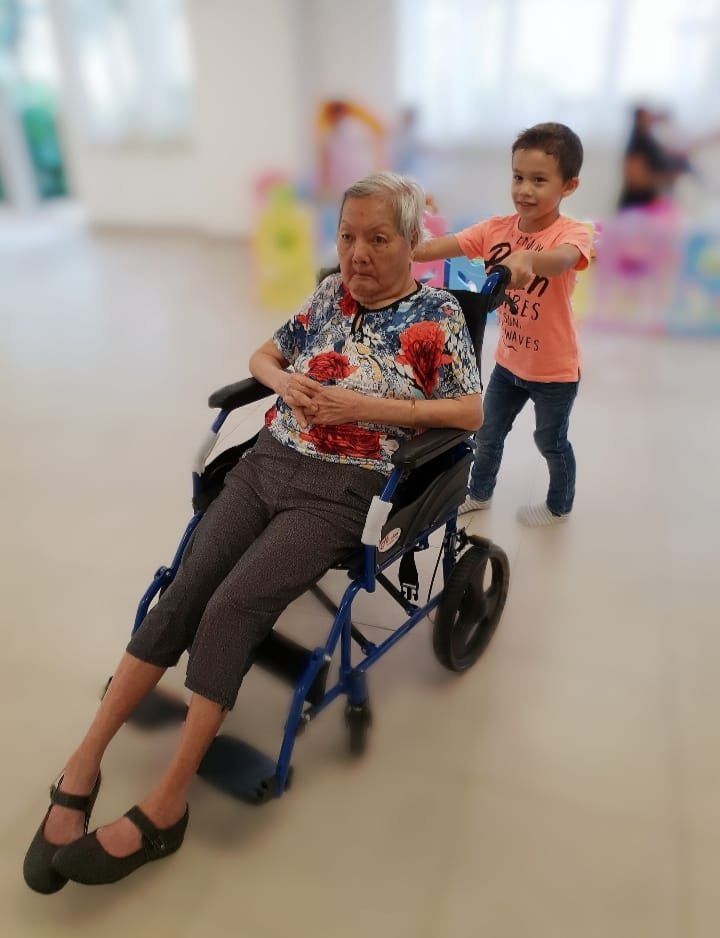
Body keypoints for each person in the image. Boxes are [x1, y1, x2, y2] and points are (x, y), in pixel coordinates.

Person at [23, 171, 483, 892]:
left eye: (377, 238)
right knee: (183, 593)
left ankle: (169, 804)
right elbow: (263, 355)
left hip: (345, 488)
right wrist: (285, 383)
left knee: (233, 607)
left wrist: (373, 407)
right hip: (269, 460)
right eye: (346, 235)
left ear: (413, 241)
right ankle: (84, 761)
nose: (357, 253)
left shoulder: (436, 317)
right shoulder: (332, 291)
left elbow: (469, 413)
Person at [413, 123, 594, 527]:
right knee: (488, 431)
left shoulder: (570, 234)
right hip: (510, 363)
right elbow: (427, 250)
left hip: (555, 372)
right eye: (518, 177)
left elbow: (563, 259)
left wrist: (529, 260)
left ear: (569, 186)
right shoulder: (495, 230)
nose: (524, 190)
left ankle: (559, 504)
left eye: (539, 180)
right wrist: (411, 217)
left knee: (550, 441)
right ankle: (478, 492)